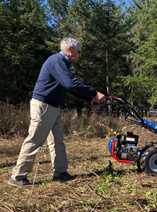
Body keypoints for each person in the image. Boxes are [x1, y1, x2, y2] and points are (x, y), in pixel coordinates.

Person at [8, 37, 105, 187]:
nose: (79, 55)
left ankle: (60, 172)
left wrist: (89, 97)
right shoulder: (57, 60)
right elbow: (70, 83)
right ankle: (18, 176)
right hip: (44, 106)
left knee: (57, 141)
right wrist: (93, 93)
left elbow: (69, 86)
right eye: (78, 52)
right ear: (71, 51)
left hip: (52, 107)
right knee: (35, 139)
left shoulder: (62, 63)